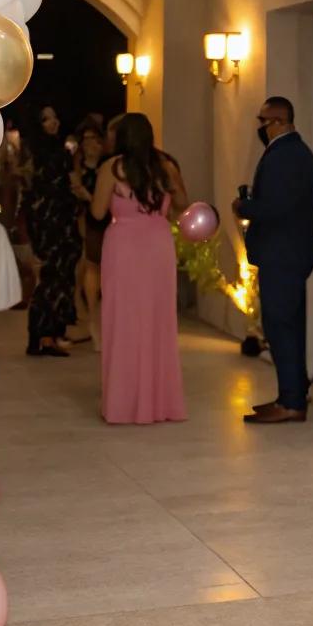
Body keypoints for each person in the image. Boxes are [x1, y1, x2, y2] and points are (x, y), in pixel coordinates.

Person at [91, 114, 188, 424]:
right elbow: (183, 205)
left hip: (123, 246)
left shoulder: (112, 167)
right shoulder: (166, 166)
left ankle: (124, 404)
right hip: (158, 245)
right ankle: (160, 403)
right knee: (158, 319)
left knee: (123, 320)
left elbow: (96, 211)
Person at [233, 96, 313, 425]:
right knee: (289, 326)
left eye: (263, 121)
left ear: (280, 121)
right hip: (290, 252)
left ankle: (291, 402)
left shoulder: (286, 155)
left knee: (281, 326)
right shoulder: (294, 153)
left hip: (283, 254)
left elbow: (277, 207)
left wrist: (244, 208)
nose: (260, 128)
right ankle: (293, 392)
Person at [23, 104, 80, 357]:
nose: (53, 122)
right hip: (50, 223)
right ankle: (44, 337)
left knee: (59, 279)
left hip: (61, 222)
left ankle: (49, 335)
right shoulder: (41, 152)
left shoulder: (56, 148)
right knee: (51, 279)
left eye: (55, 117)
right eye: (47, 119)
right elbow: (42, 191)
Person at [70, 120, 106, 350]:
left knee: (99, 269)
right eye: (86, 140)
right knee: (87, 267)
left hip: (106, 220)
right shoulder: (77, 166)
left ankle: (98, 318)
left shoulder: (108, 166)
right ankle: (91, 317)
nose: (90, 144)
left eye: (94, 139)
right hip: (85, 221)